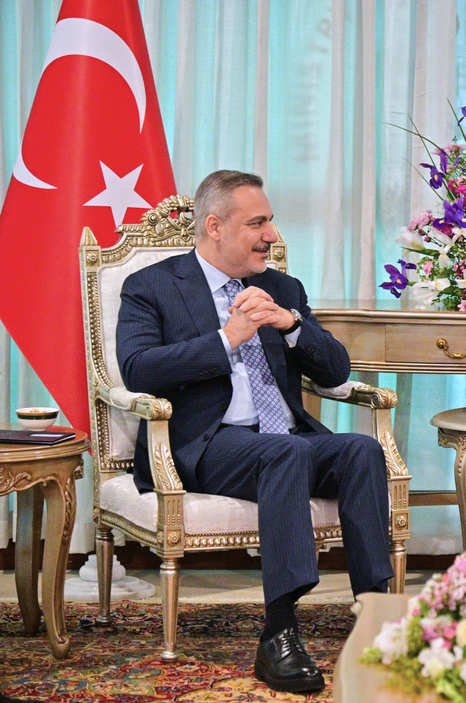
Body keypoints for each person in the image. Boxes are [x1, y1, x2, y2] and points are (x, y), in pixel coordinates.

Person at [116, 170, 394, 693]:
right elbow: (138, 369)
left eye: (271, 221)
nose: (271, 235)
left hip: (283, 438)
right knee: (285, 454)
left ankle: (377, 615)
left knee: (361, 450)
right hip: (206, 443)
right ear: (215, 227)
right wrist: (227, 338)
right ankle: (279, 634)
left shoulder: (282, 287)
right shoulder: (152, 286)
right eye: (258, 223)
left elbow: (336, 371)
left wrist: (291, 325)